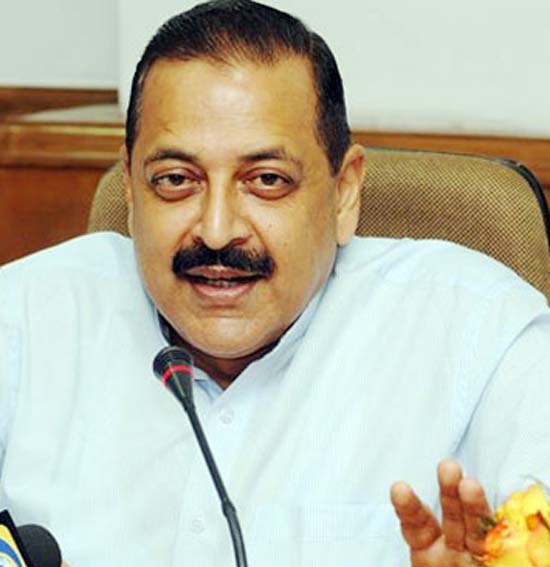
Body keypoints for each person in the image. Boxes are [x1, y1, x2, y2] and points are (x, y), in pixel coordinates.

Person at [1, 1, 549, 566]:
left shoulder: (483, 333)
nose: (217, 230)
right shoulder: (22, 319)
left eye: (266, 180)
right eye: (175, 180)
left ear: (344, 193)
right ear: (132, 192)